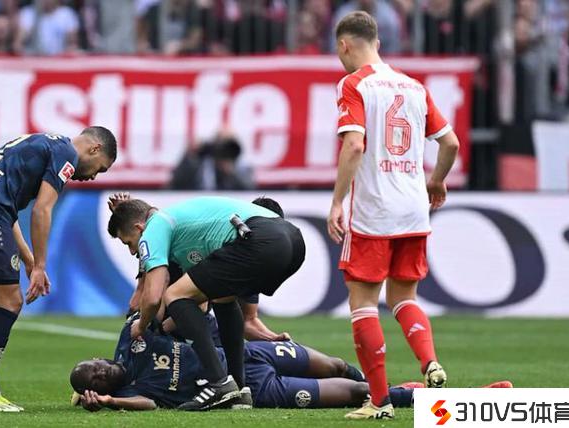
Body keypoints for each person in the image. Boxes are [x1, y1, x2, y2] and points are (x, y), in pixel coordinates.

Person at [327, 11, 460, 420]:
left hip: (375, 210)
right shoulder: (414, 86)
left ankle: (379, 401)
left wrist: (337, 202)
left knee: (363, 303)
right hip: (414, 209)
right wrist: (436, 182)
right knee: (404, 297)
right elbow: (451, 143)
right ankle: (429, 361)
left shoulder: (354, 84)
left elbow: (354, 145)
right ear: (378, 43)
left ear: (344, 45)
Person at [0, 127, 117, 412]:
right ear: (94, 148)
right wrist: (40, 266)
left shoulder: (41, 142)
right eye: (100, 169)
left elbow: (8, 210)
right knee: (10, 302)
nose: (93, 177)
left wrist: (28, 260)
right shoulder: (66, 153)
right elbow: (42, 210)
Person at [107, 196, 305, 410]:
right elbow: (200, 302)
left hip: (262, 239)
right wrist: (163, 325)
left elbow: (154, 296)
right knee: (222, 297)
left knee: (174, 295)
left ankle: (220, 384)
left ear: (139, 228)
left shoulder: (155, 227)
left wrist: (141, 325)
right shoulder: (185, 235)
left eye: (128, 242)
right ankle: (239, 389)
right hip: (294, 242)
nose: (132, 251)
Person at [69, 317, 512, 412]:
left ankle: (402, 390)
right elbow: (148, 406)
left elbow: (153, 306)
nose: (101, 374)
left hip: (247, 354)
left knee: (337, 365)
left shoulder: (133, 341)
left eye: (96, 367)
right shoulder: (130, 394)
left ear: (101, 358)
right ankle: (467, 400)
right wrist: (108, 402)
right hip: (255, 390)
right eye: (96, 381)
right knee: (359, 395)